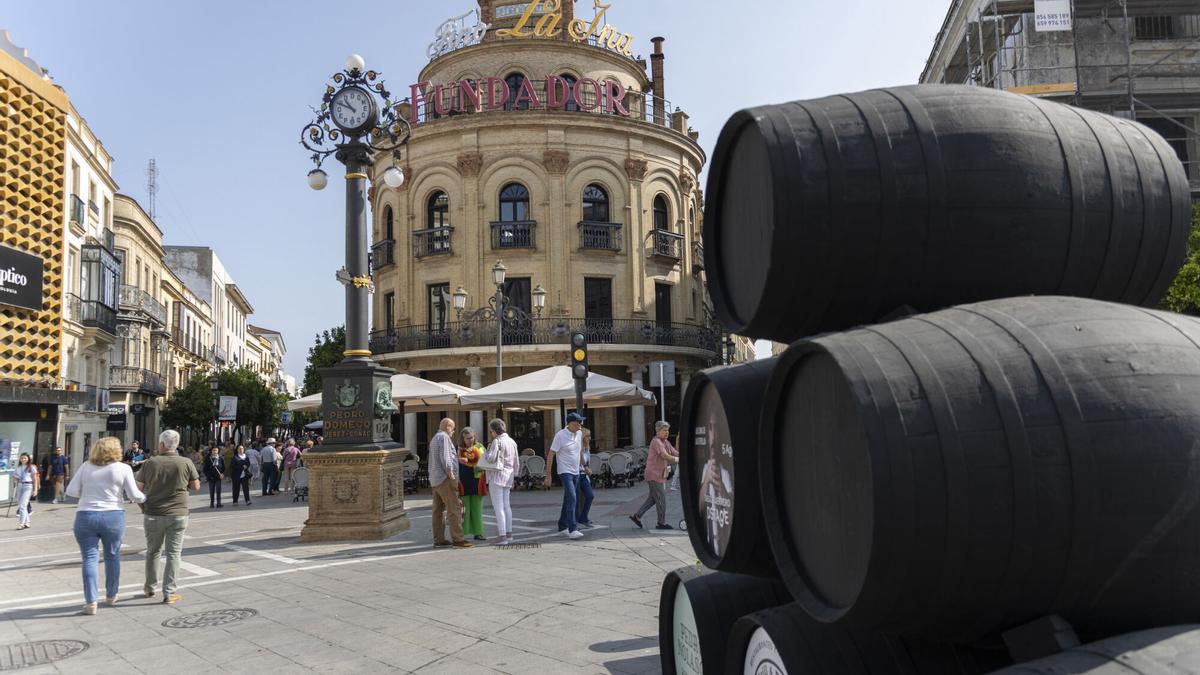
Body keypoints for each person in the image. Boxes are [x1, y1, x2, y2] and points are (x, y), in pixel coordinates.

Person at [65, 437, 146, 615]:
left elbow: (71, 491)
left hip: (85, 515)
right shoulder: (123, 468)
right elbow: (134, 495)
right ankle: (111, 595)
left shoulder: (86, 466)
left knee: (89, 558)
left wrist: (88, 494)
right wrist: (145, 498)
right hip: (113, 516)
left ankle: (91, 602)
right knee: (112, 555)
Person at [137, 429, 200, 605]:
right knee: (174, 553)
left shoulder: (150, 463)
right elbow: (195, 486)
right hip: (178, 513)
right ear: (177, 444)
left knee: (153, 551)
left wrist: (143, 506)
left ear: (162, 444)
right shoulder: (186, 462)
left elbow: (137, 489)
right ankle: (170, 592)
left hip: (153, 514)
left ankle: (149, 587)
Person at [429, 418, 472, 548]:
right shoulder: (445, 438)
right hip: (445, 479)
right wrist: (452, 476)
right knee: (454, 509)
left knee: (437, 511)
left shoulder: (435, 438)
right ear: (448, 426)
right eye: (453, 428)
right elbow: (446, 459)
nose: (453, 431)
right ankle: (458, 539)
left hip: (435, 479)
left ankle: (439, 538)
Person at [631, 421, 679, 530]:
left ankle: (637, 516)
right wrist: (678, 460)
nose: (667, 432)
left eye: (667, 430)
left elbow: (673, 451)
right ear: (658, 431)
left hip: (659, 474)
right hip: (653, 474)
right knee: (661, 498)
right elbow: (665, 455)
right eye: (664, 430)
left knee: (653, 499)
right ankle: (661, 523)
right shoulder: (656, 441)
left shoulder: (665, 441)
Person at [545, 412, 586, 539]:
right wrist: (548, 476)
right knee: (573, 497)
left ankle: (562, 525)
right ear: (572, 423)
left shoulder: (579, 433)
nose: (581, 424)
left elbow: (579, 451)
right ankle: (572, 529)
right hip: (565, 471)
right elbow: (551, 454)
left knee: (568, 498)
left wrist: (584, 466)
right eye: (579, 422)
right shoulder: (560, 435)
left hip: (576, 471)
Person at [484, 418, 518, 546]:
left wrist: (486, 454)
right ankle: (509, 533)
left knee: (498, 506)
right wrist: (515, 474)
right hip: (508, 476)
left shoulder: (497, 441)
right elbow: (516, 462)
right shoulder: (512, 441)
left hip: (497, 475)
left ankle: (502, 535)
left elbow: (491, 458)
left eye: (491, 431)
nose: (491, 434)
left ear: (494, 431)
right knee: (506, 506)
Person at [457, 427, 488, 542]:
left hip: (478, 480)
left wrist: (482, 467)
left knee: (477, 508)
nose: (470, 440)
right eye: (467, 438)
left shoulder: (480, 447)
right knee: (464, 509)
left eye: (472, 437)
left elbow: (487, 461)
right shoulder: (459, 449)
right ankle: (462, 534)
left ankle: (478, 533)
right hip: (463, 480)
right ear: (463, 438)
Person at [11, 453, 37, 529]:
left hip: (28, 486)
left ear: (28, 459)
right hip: (20, 485)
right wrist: (15, 478)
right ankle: (27, 522)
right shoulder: (18, 467)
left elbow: (35, 478)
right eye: (22, 458)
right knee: (23, 505)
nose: (23, 459)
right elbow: (14, 476)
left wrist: (35, 489)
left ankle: (21, 523)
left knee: (22, 505)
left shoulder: (31, 467)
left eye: (25, 458)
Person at [576, 428, 595, 529]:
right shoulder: (577, 448)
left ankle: (583, 517)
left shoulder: (587, 449)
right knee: (577, 499)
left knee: (590, 495)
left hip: (584, 476)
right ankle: (575, 520)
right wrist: (585, 468)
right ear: (583, 437)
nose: (590, 438)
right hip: (577, 475)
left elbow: (586, 462)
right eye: (588, 436)